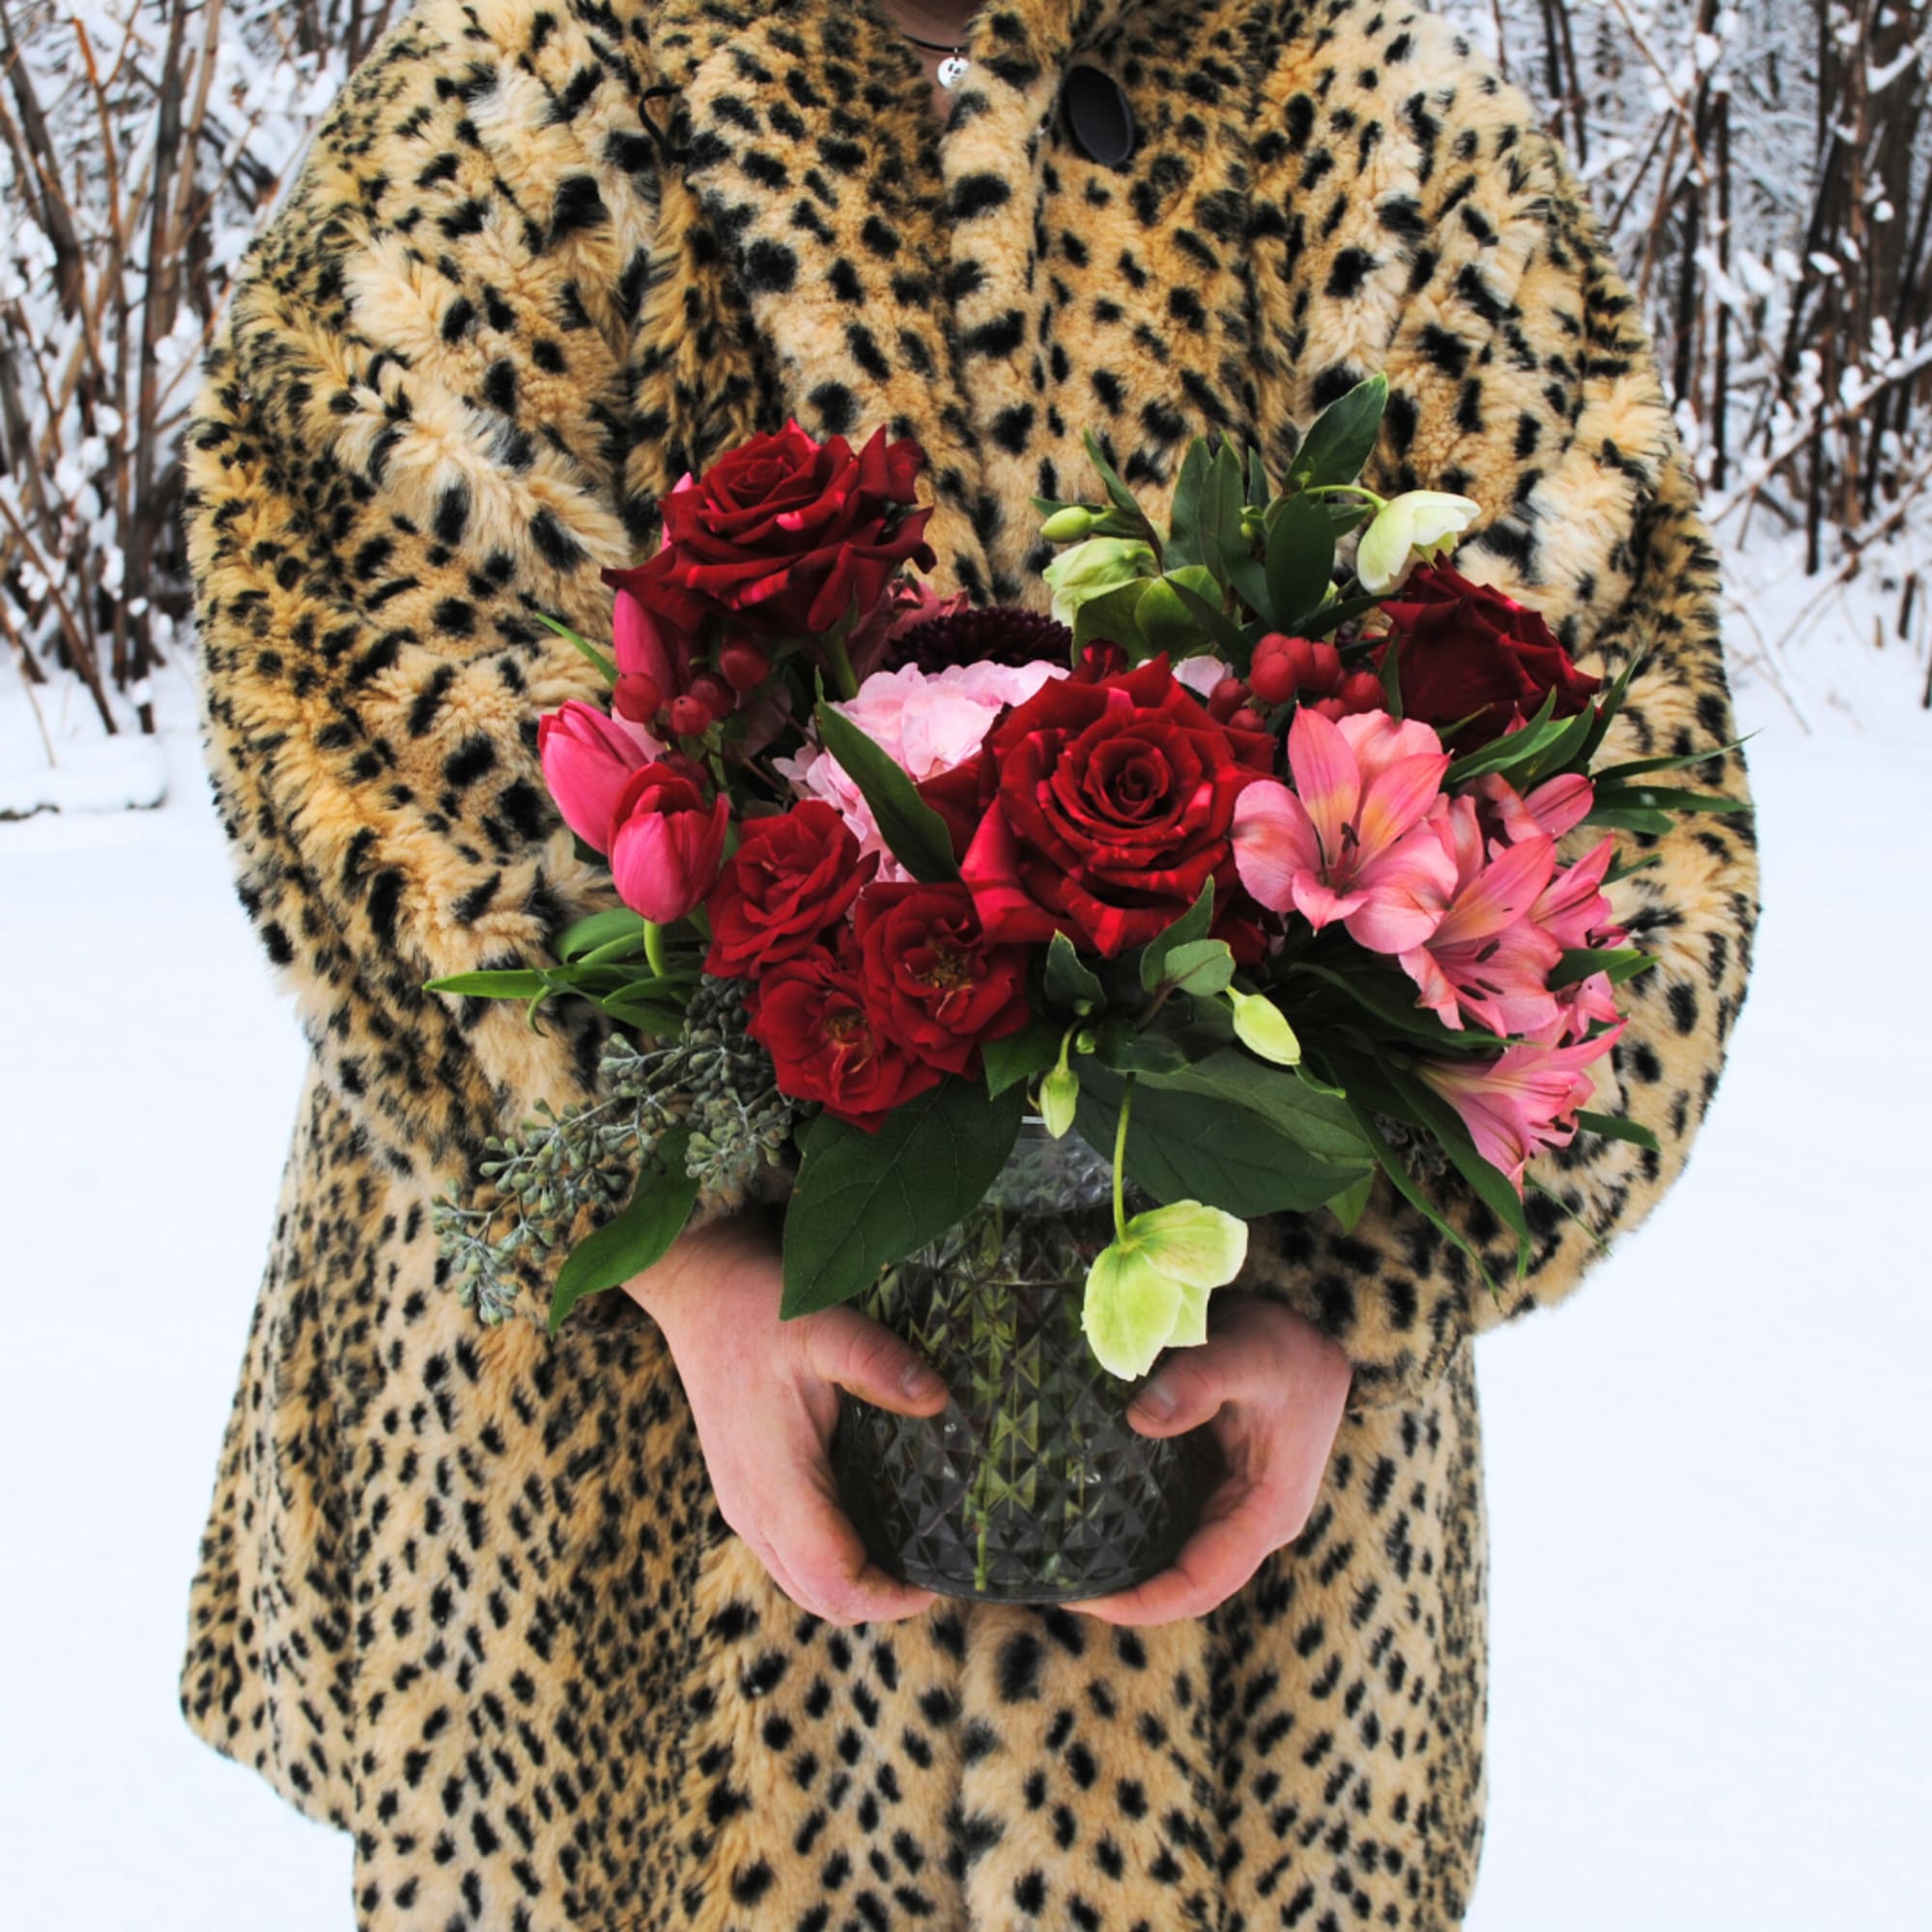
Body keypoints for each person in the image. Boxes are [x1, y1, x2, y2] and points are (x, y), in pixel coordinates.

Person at [179, 0, 1759, 1925]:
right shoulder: (535, 61)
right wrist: (670, 1249)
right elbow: (355, 665)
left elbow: (1627, 806)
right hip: (609, 1509)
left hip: (1235, 1569)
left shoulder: (1370, 111)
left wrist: (1354, 1290)